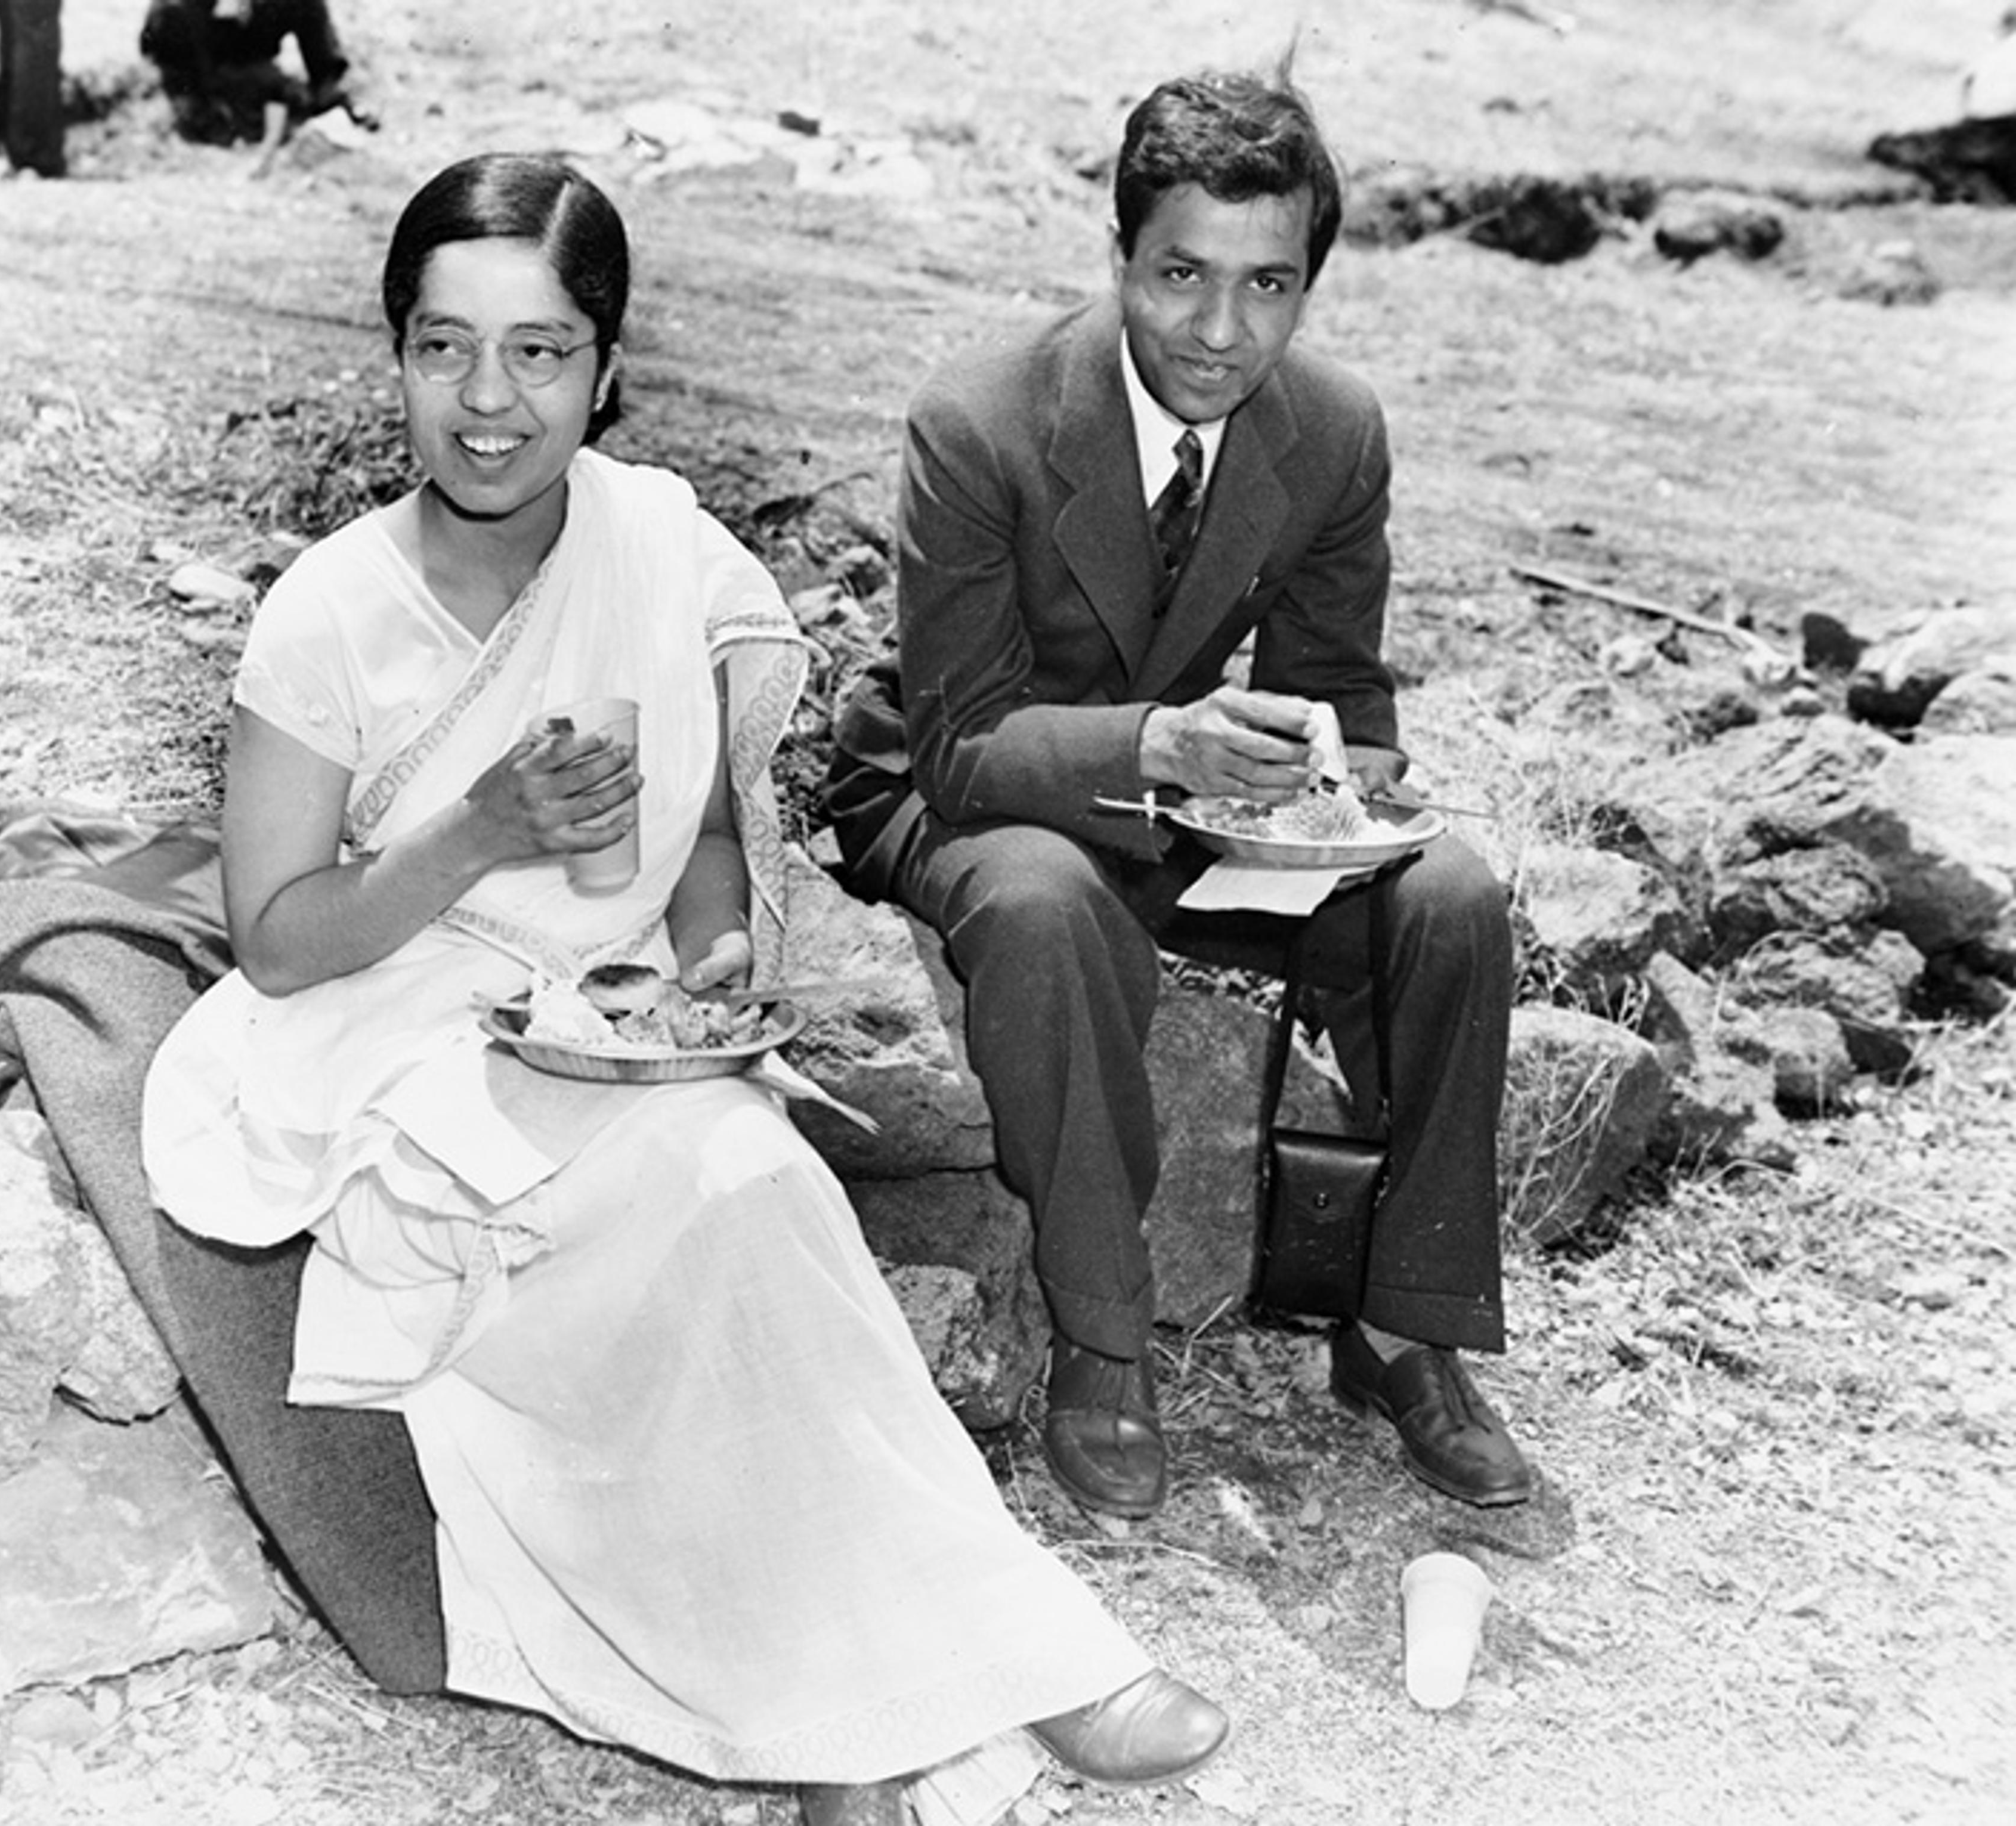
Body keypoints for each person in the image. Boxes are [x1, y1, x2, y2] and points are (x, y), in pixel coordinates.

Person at [140, 151, 1228, 1826]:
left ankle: (887, 1709)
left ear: (607, 367)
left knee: (755, 1184)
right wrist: (478, 826)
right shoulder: (328, 612)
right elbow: (278, 937)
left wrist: (714, 953)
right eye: (445, 348)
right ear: (398, 360)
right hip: (384, 1035)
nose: (489, 402)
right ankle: (975, 1687)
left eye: (542, 350)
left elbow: (709, 832)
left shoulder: (656, 542)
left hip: (603, 1024)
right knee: (724, 1196)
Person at [822, 69, 1535, 1524]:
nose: (1222, 331)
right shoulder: (979, 421)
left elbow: (1342, 689)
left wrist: (1338, 790)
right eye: (1181, 277)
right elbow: (961, 740)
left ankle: (1404, 1327)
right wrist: (1162, 747)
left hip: (1193, 813)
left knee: (1449, 896)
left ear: (1308, 285)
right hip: (968, 791)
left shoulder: (1330, 430)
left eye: (1268, 284)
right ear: (1119, 257)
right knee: (1040, 902)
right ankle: (1103, 1335)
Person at [139, 0, 376, 141]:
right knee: (175, 13)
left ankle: (328, 89)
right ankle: (193, 99)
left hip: (245, 31)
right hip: (195, 32)